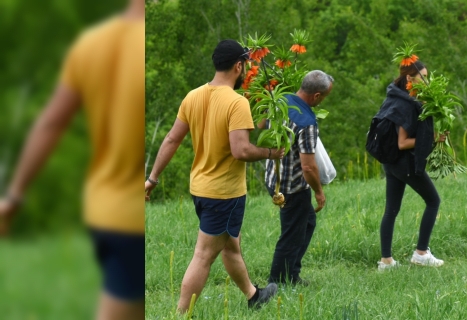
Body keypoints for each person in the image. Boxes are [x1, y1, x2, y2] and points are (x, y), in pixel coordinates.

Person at [0, 1, 146, 319]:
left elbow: (51, 122)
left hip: (104, 211)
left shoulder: (92, 43)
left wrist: (13, 196)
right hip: (133, 221)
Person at [144, 39, 284, 312]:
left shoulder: (193, 96)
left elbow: (172, 139)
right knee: (204, 255)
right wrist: (271, 153)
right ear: (239, 66)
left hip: (200, 188)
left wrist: (152, 178)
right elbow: (241, 150)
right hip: (224, 193)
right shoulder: (236, 102)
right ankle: (181, 314)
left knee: (230, 244)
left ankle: (254, 296)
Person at [259, 70, 333, 285]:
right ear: (317, 96)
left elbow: (261, 125)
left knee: (307, 222)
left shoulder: (280, 100)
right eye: (324, 97)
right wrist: (319, 191)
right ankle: (278, 281)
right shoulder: (307, 122)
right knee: (291, 233)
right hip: (293, 187)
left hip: (274, 176)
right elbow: (308, 167)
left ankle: (291, 272)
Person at [375, 60, 448, 271]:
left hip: (392, 163)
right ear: (410, 78)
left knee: (391, 210)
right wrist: (432, 138)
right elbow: (403, 142)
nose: (427, 81)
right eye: (423, 77)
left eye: (427, 76)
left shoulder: (399, 97)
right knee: (433, 200)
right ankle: (421, 253)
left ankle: (386, 262)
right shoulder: (404, 104)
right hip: (403, 162)